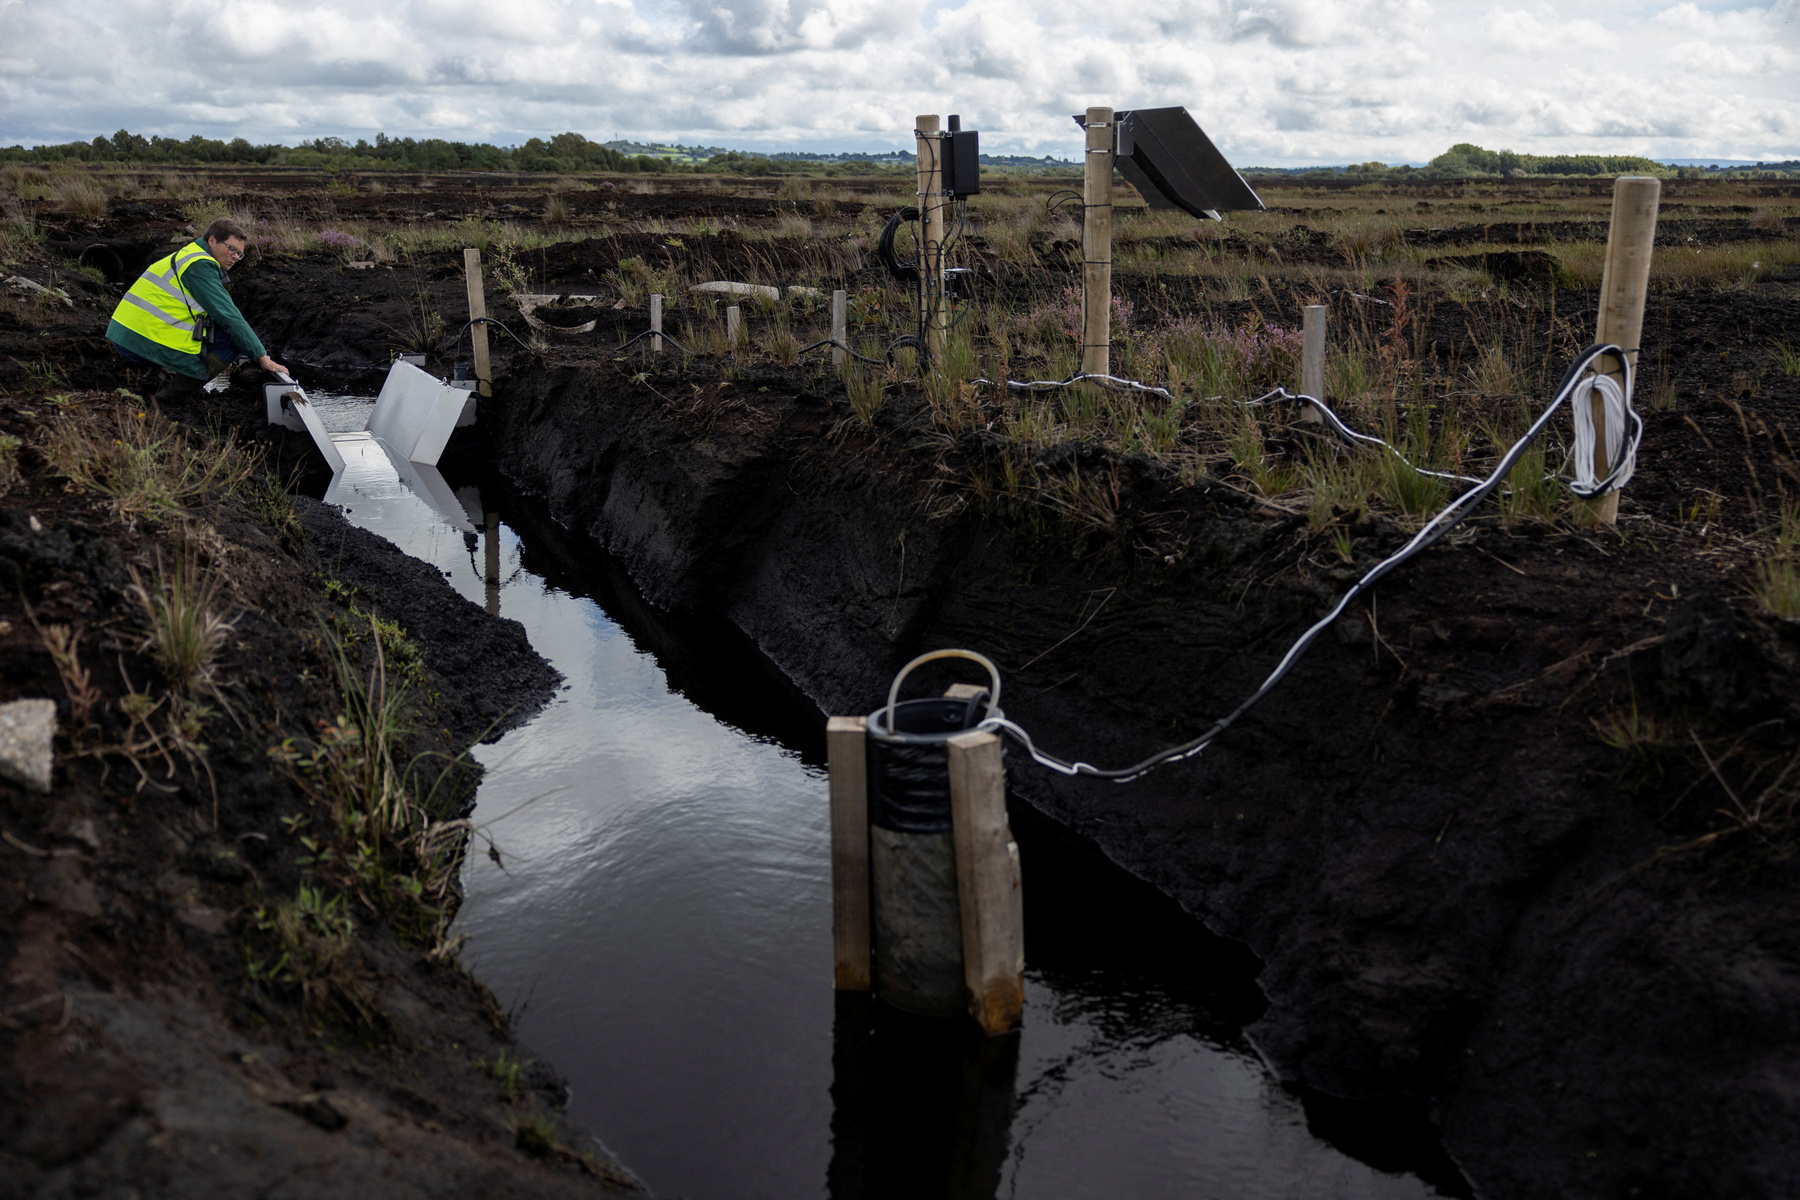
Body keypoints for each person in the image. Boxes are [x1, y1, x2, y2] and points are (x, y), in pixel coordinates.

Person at [106, 216, 287, 402]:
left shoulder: (190, 254)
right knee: (232, 341)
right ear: (212, 241)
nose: (235, 257)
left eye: (239, 254)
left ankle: (155, 382)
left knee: (216, 337)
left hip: (129, 332)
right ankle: (166, 400)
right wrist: (262, 358)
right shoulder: (200, 266)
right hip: (138, 338)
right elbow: (229, 316)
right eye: (231, 249)